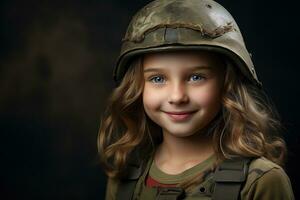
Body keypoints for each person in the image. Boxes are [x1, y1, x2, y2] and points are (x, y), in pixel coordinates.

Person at [98, 0, 295, 199]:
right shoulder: (123, 179)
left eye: (196, 77)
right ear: (137, 87)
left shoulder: (261, 182)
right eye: (157, 78)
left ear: (227, 84)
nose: (177, 97)